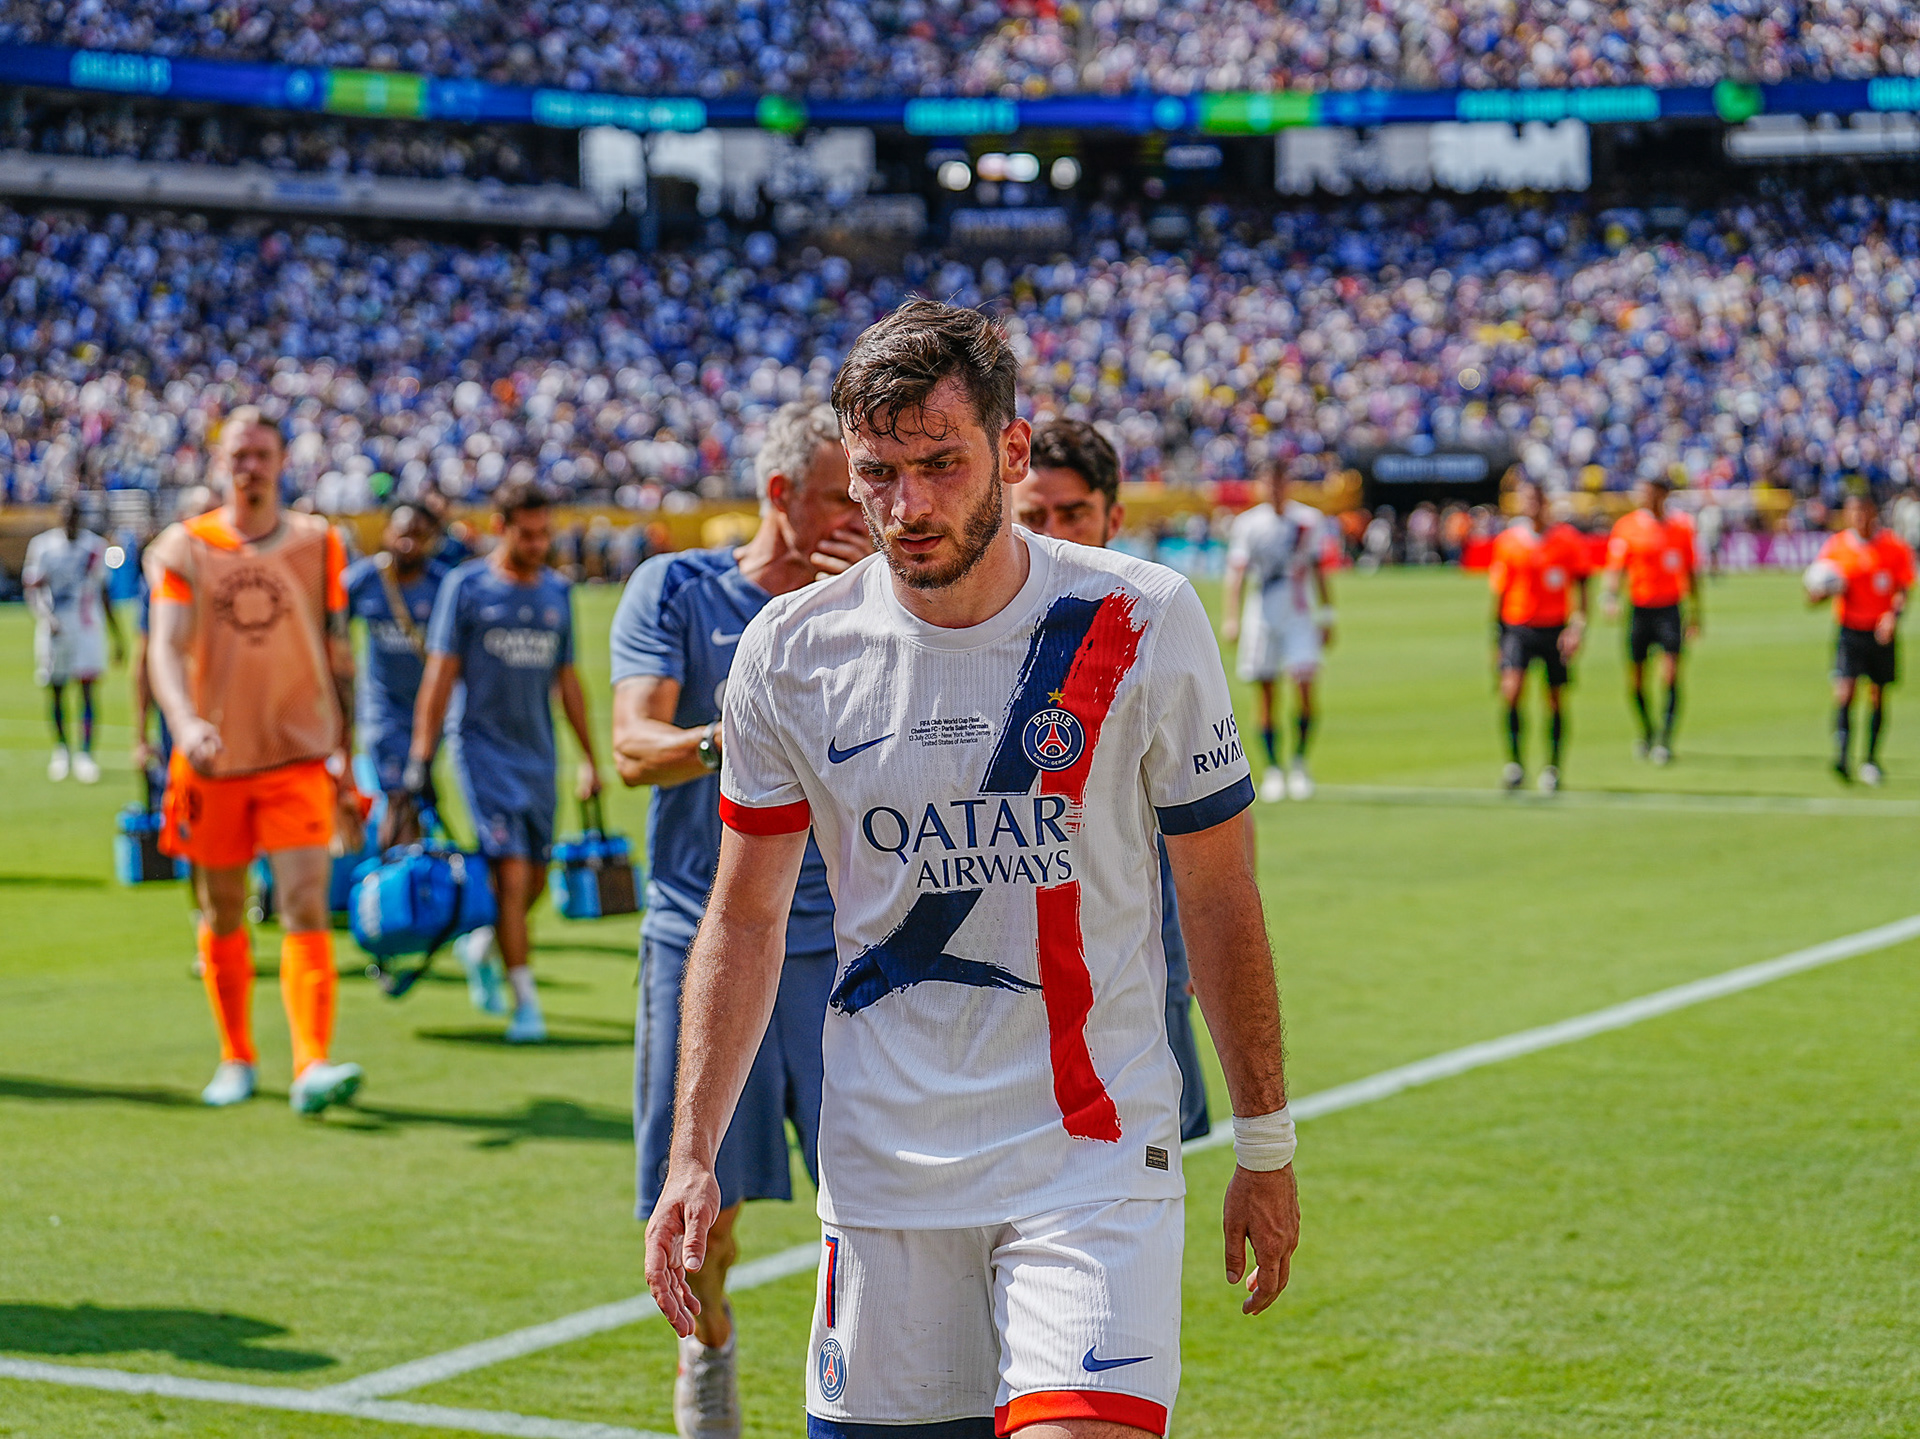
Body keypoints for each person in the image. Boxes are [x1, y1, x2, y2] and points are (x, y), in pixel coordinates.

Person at [645, 300, 1299, 1439]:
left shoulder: (1140, 619)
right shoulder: (790, 652)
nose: (906, 506)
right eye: (876, 473)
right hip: (884, 1174)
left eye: (940, 463)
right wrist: (689, 1152)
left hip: (1089, 1162)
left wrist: (1264, 1140)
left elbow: (1219, 889)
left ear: (1010, 447)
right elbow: (745, 918)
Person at [610, 401, 869, 1439]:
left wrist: (853, 603)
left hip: (848, 936)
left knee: (876, 1181)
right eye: (840, 495)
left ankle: (866, 1385)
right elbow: (635, 747)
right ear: (777, 495)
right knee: (705, 1192)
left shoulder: (876, 594)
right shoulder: (678, 588)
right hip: (705, 926)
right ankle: (707, 1354)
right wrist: (744, 722)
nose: (868, 508)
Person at [144, 409, 366, 1113]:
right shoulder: (185, 546)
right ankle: (236, 1054)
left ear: (281, 461)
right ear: (220, 462)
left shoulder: (318, 541)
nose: (250, 466)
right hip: (214, 761)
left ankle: (312, 1063)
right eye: (239, 454)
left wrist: (347, 757)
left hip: (298, 753)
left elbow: (337, 651)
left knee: (305, 903)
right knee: (223, 908)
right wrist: (183, 723)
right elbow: (166, 647)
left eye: (262, 454)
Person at [1010, 417, 1212, 1143]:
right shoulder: (976, 626)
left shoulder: (1151, 624)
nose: (1055, 531)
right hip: (1007, 928)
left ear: (1113, 518)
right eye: (1035, 515)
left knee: (1153, 1138)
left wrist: (1192, 942)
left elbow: (1201, 816)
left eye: (1074, 514)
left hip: (1134, 929)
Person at [408, 480, 602, 1041]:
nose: (540, 543)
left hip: (538, 758)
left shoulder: (557, 593)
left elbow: (568, 682)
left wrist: (589, 759)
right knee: (511, 874)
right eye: (529, 533)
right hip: (481, 752)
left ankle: (483, 944)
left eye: (546, 534)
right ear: (501, 527)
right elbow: (439, 676)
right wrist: (422, 757)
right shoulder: (466, 589)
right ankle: (525, 1002)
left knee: (534, 880)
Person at [1221, 463, 1334, 801]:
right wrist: (1232, 617)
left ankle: (1299, 763)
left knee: (1304, 687)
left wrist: (1327, 615)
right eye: (1269, 482)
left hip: (1299, 613)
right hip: (1263, 615)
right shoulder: (1248, 524)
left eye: (1280, 480)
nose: (1274, 488)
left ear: (1289, 482)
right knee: (1267, 692)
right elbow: (1237, 573)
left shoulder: (1308, 521)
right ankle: (1273, 768)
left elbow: (1318, 568)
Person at [341, 504, 450, 848]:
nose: (408, 544)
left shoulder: (443, 586)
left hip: (431, 710)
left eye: (418, 536)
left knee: (414, 794)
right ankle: (398, 876)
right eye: (402, 534)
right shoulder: (364, 580)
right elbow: (327, 622)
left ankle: (406, 876)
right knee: (399, 792)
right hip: (382, 706)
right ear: (387, 532)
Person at [1487, 480, 1591, 792]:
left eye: (1536, 499)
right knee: (1512, 691)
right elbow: (1499, 595)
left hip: (1554, 627)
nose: (1531, 505)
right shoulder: (1508, 542)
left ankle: (1553, 766)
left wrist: (1577, 628)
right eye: (1526, 499)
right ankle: (1515, 763)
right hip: (1518, 628)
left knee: (1555, 700)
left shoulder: (1566, 539)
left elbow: (1582, 585)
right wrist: (1496, 640)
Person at [1810, 490, 1914, 785]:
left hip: (1880, 633)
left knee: (1877, 695)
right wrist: (1819, 593)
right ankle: (1842, 756)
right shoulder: (1836, 547)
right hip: (1849, 630)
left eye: (1863, 510)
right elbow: (1813, 594)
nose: (1859, 516)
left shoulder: (1893, 547)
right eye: (1853, 511)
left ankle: (1870, 759)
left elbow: (1903, 588)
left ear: (1873, 512)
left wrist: (1892, 616)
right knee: (1844, 692)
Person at [24, 496, 125, 784]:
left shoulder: (95, 547)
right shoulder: (43, 546)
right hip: (55, 628)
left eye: (75, 516)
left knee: (88, 689)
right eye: (65, 515)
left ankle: (85, 754)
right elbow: (33, 588)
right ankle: (61, 751)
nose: (70, 521)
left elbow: (103, 593)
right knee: (56, 688)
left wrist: (117, 636)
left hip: (87, 628)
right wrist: (45, 617)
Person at [1603, 475, 1700, 766]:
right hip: (1639, 609)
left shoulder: (1680, 528)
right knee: (1635, 681)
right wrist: (1610, 597)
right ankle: (1647, 730)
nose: (1645, 497)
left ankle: (1665, 740)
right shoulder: (1627, 527)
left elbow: (1691, 573)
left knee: (1670, 675)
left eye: (1651, 492)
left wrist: (1695, 613)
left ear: (1663, 495)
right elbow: (1615, 567)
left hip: (1670, 609)